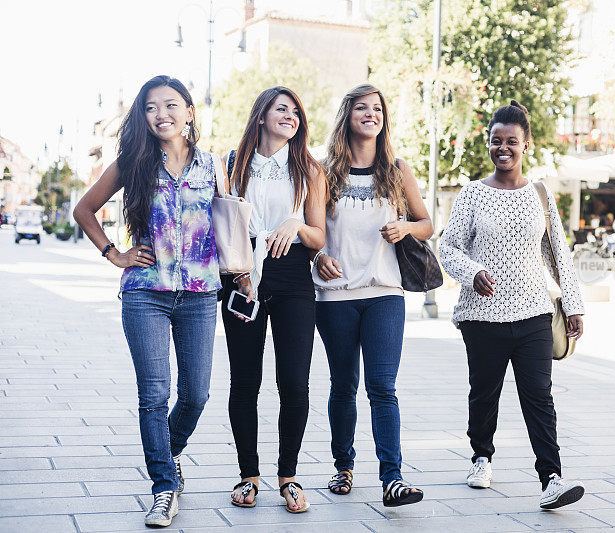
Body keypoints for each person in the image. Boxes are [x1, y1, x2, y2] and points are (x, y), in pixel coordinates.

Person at [73, 75, 219, 527]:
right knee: (154, 395)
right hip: (145, 294)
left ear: (189, 113)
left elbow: (233, 221)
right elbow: (84, 209)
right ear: (143, 116)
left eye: (172, 105)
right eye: (152, 108)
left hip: (200, 294)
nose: (162, 115)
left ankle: (168, 451)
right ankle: (163, 487)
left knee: (196, 394)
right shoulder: (131, 164)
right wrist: (114, 254)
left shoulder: (214, 165)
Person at [439, 100, 586, 510]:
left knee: (538, 395)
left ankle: (551, 478)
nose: (503, 148)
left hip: (534, 314)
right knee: (484, 392)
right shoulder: (472, 194)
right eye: (496, 141)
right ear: (489, 143)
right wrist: (472, 272)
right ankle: (481, 458)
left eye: (512, 142)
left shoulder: (539, 194)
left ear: (526, 145)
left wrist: (573, 304)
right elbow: (447, 247)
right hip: (482, 316)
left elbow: (558, 250)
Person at [313, 84, 431, 507]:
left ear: (384, 118)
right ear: (347, 116)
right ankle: (343, 467)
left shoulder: (397, 171)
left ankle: (392, 477)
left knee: (382, 386)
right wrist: (318, 257)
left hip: (385, 293)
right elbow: (310, 231)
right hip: (335, 297)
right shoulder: (323, 172)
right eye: (361, 107)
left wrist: (405, 228)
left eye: (377, 108)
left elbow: (426, 223)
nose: (370, 113)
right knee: (343, 385)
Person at [221, 87, 326, 513]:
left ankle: (289, 477)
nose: (290, 116)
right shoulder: (233, 164)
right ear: (261, 115)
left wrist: (294, 225)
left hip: (293, 279)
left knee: (294, 382)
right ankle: (248, 476)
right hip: (242, 277)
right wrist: (240, 273)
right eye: (281, 109)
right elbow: (222, 222)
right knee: (245, 381)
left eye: (296, 111)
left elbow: (319, 236)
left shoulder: (309, 170)